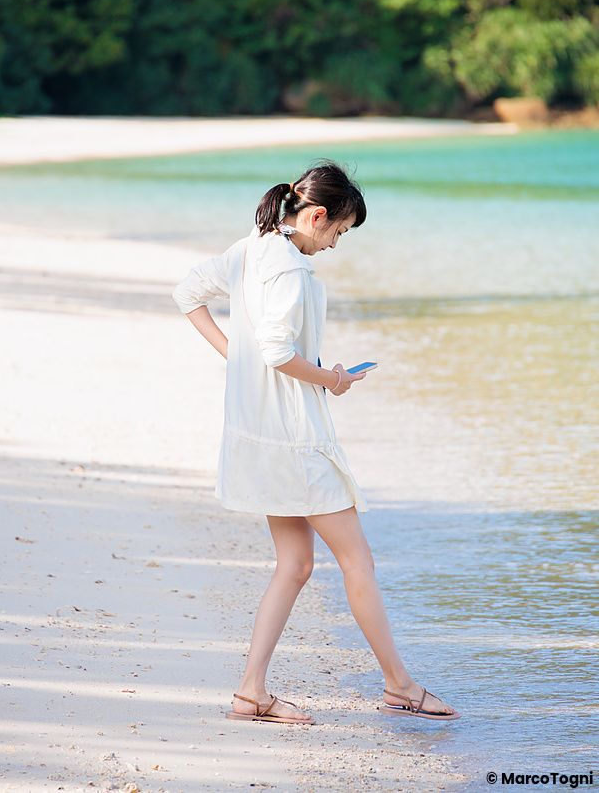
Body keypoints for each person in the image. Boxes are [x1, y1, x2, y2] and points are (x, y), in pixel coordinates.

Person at [172, 160, 460, 725]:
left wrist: (239, 360)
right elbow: (278, 351)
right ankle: (400, 686)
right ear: (318, 215)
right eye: (339, 232)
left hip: (263, 436)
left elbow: (188, 294)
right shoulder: (289, 270)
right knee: (357, 560)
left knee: (296, 563)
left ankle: (251, 693)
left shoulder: (254, 247)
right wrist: (332, 379)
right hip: (295, 441)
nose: (334, 244)